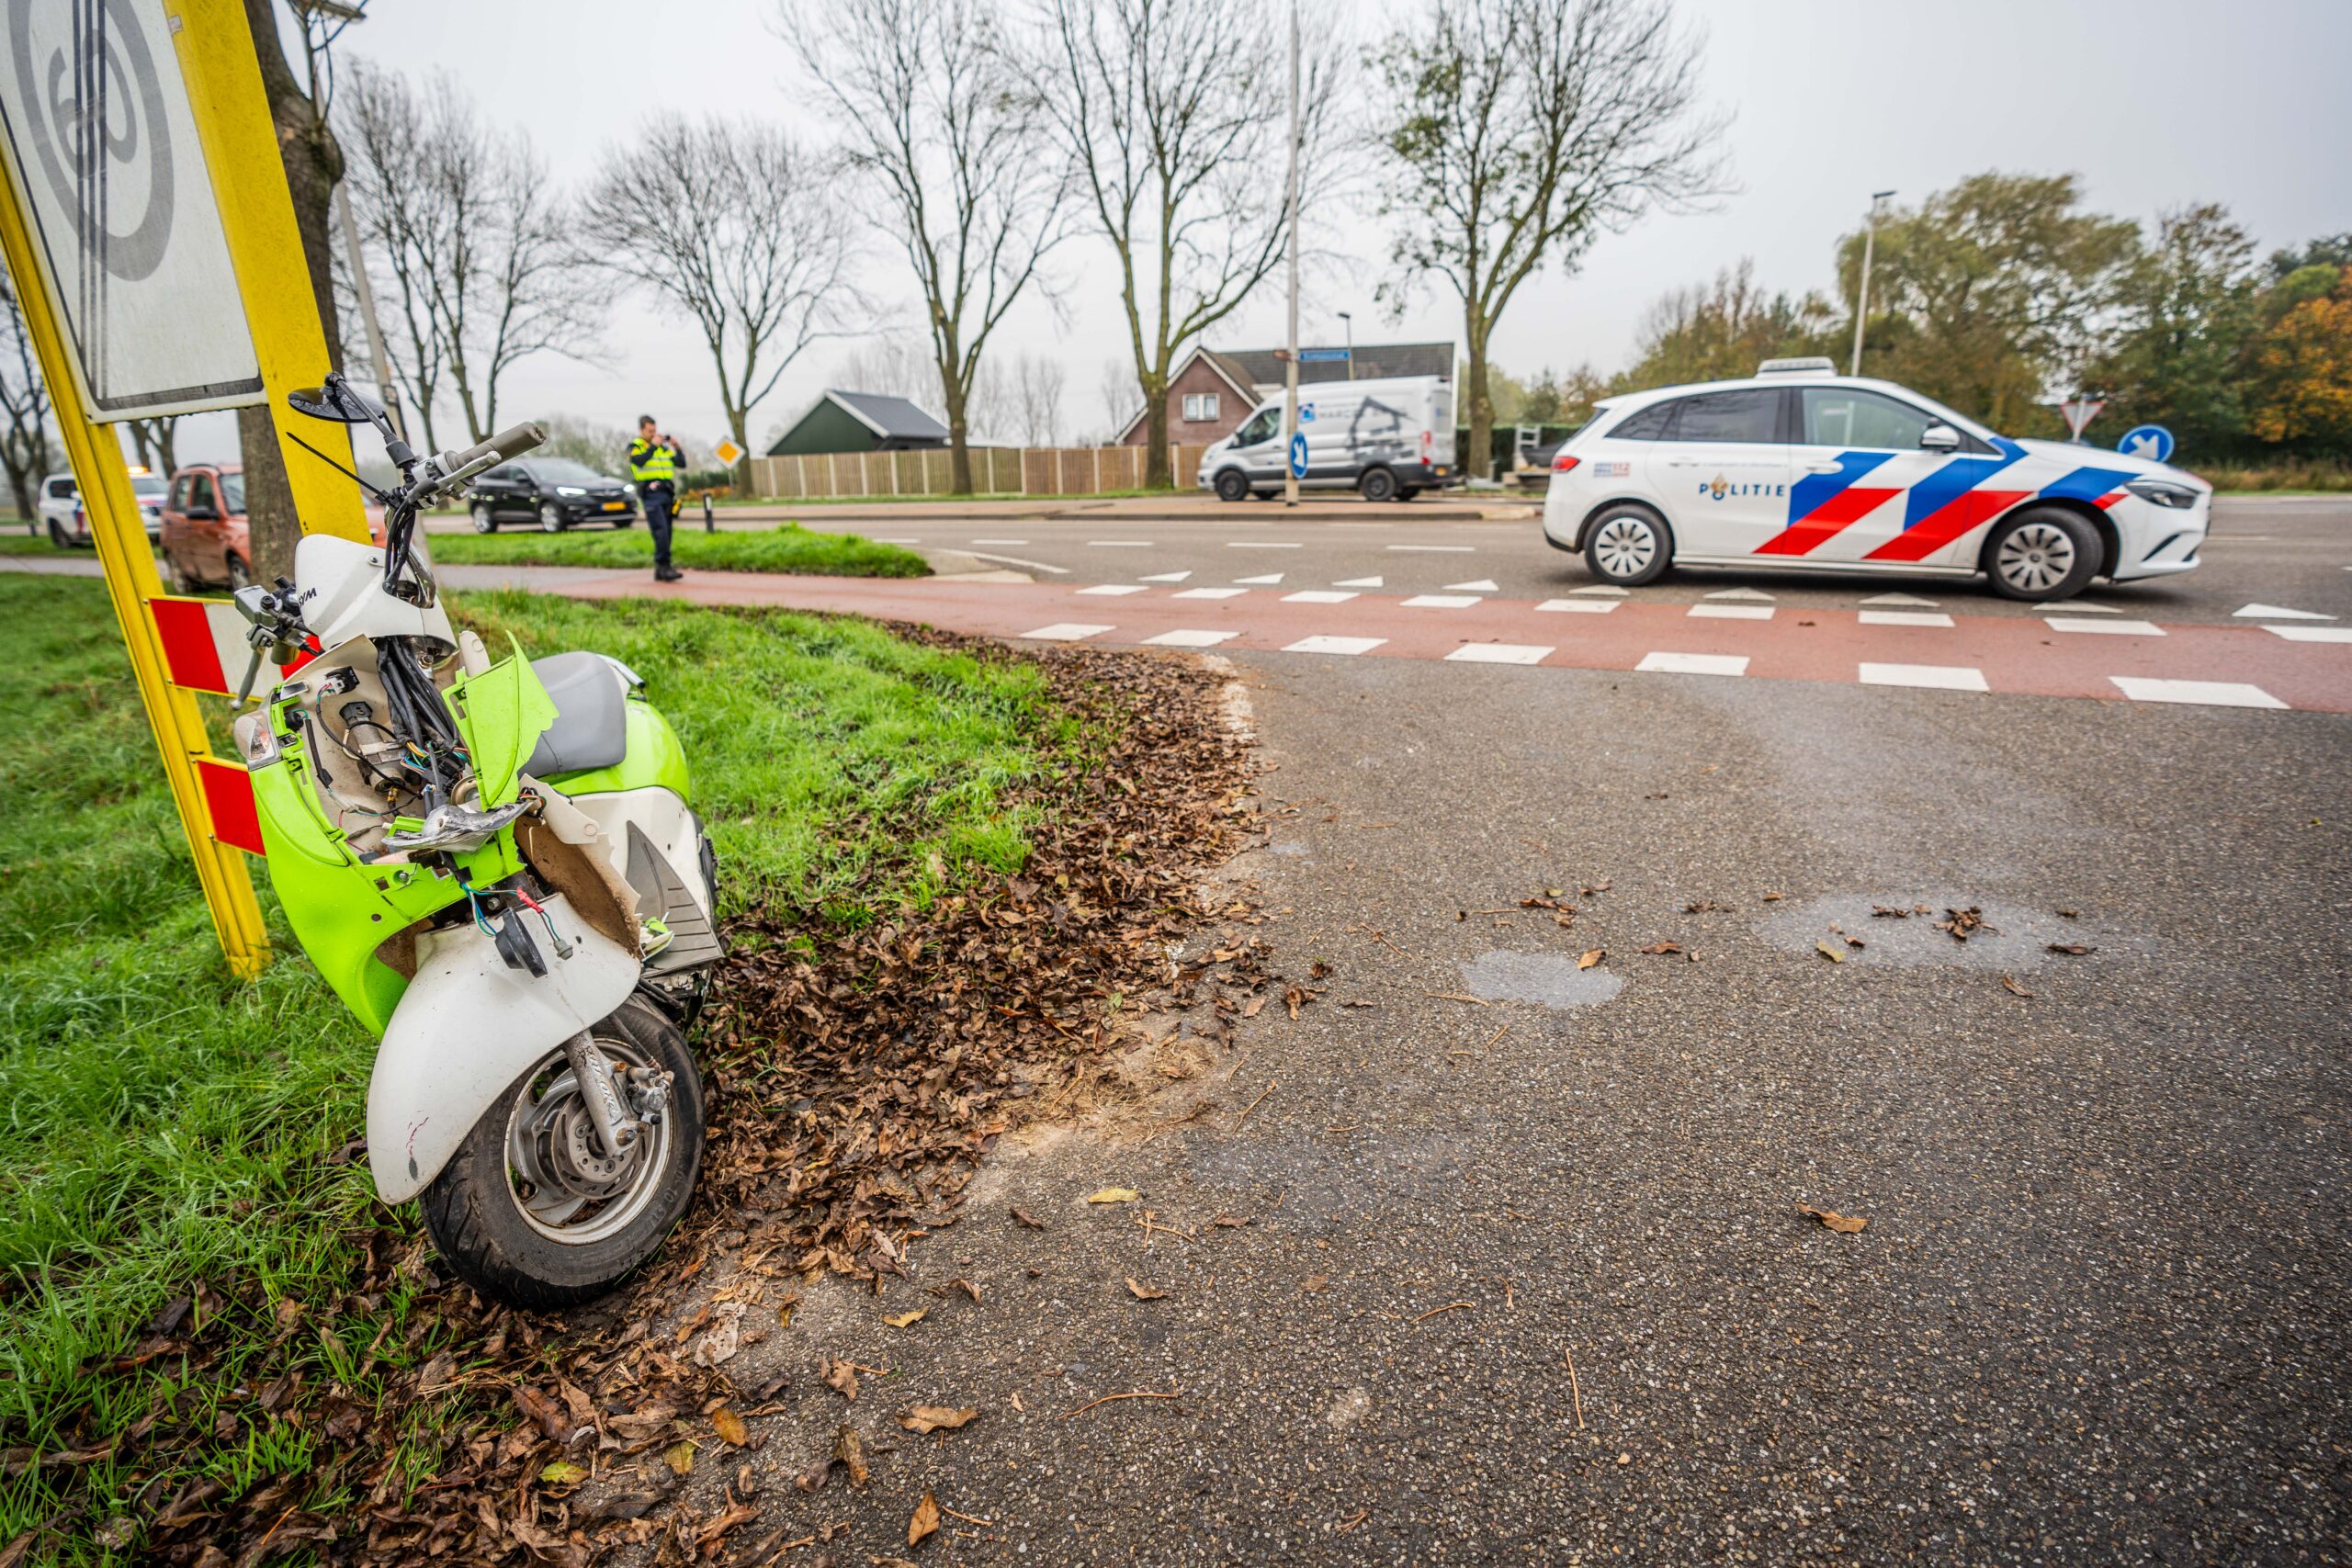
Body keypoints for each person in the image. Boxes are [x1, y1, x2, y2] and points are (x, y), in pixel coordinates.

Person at [629, 416, 687, 581]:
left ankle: (661, 570)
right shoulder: (635, 446)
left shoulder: (663, 448)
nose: (653, 434)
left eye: (654, 430)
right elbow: (638, 461)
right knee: (660, 530)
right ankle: (664, 566)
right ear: (641, 430)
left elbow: (681, 463)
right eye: (650, 431)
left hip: (667, 493)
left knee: (667, 531)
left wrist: (677, 447)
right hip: (650, 494)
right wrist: (653, 447)